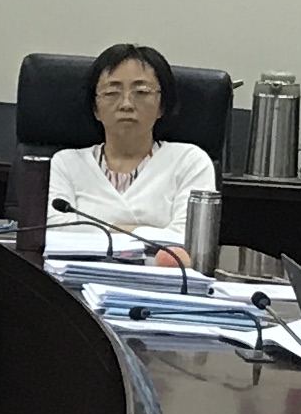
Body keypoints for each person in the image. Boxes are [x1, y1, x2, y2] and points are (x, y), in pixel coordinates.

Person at [46, 40, 216, 258]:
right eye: (111, 92)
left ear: (162, 106)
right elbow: (56, 235)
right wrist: (147, 233)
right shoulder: (66, 164)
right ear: (95, 108)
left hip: (161, 275)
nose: (126, 104)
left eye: (141, 92)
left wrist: (104, 231)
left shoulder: (190, 161)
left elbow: (188, 241)